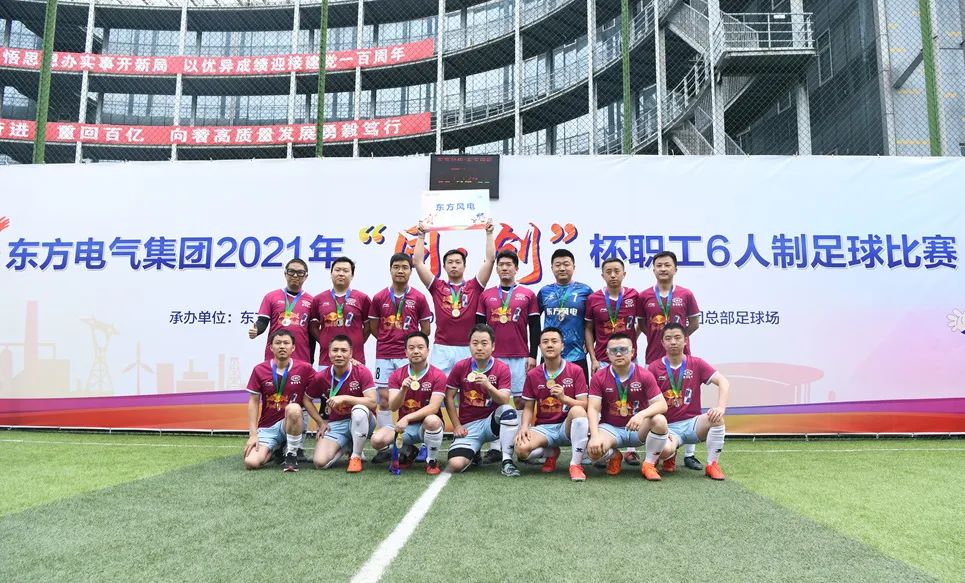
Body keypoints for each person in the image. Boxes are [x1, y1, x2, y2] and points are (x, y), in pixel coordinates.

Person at [639, 250, 703, 470]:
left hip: (681, 358)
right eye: (659, 265)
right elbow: (643, 325)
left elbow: (694, 323)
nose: (663, 269)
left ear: (675, 268)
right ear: (653, 269)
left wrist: (676, 341)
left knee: (687, 402)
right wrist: (660, 340)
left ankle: (689, 454)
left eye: (667, 265)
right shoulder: (644, 296)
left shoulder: (686, 294)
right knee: (653, 402)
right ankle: (660, 448)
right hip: (653, 357)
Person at [476, 250, 540, 462]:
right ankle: (495, 448)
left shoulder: (528, 294)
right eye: (501, 264)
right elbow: (479, 328)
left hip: (520, 356)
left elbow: (535, 327)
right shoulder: (486, 295)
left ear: (516, 268)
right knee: (493, 400)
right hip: (493, 359)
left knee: (520, 401)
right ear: (496, 269)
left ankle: (520, 443)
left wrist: (533, 355)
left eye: (509, 265)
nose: (504, 268)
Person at [368, 253, 432, 461]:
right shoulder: (379, 297)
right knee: (384, 399)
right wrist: (389, 339)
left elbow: (425, 329)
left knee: (415, 396)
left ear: (411, 271)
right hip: (385, 354)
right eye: (396, 267)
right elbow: (374, 327)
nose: (400, 271)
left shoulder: (419, 297)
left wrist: (410, 346)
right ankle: (388, 444)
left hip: (409, 356)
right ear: (390, 270)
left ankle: (420, 443)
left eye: (405, 267)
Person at [414, 219, 496, 375]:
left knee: (469, 386)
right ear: (444, 266)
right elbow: (418, 263)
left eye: (458, 262)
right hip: (442, 348)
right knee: (438, 385)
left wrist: (489, 233)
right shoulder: (437, 287)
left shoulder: (474, 286)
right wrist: (421, 236)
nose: (454, 265)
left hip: (467, 347)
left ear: (464, 266)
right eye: (450, 262)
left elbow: (490, 260)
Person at [647, 323, 727, 480]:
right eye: (668, 338)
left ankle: (712, 465)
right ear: (662, 343)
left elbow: (723, 381)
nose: (673, 342)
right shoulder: (654, 368)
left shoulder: (696, 363)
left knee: (717, 419)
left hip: (693, 424)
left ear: (685, 340)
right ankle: (670, 454)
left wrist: (720, 407)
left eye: (677, 338)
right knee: (664, 451)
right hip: (669, 427)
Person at [584, 257, 643, 465]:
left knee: (632, 398)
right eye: (608, 271)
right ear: (602, 275)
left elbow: (640, 323)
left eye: (617, 271)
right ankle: (602, 443)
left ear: (624, 274)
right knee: (601, 402)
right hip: (602, 358)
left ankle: (631, 449)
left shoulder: (634, 296)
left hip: (629, 359)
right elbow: (588, 329)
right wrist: (593, 357)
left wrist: (631, 344)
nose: (613, 275)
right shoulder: (594, 298)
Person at [586, 333, 668, 481]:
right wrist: (595, 436)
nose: (618, 354)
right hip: (611, 429)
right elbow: (593, 408)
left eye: (623, 349)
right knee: (593, 452)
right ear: (607, 354)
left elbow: (662, 404)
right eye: (613, 350)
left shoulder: (644, 374)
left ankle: (649, 464)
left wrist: (641, 415)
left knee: (660, 421)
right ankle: (614, 456)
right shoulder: (599, 376)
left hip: (638, 428)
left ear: (632, 352)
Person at [444, 324, 521, 477]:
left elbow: (504, 399)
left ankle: (507, 461)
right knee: (455, 464)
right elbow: (448, 396)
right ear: (469, 345)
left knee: (508, 412)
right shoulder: (461, 366)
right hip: (469, 427)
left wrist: (488, 386)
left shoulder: (501, 368)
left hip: (491, 424)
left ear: (493, 346)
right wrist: (457, 425)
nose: (479, 347)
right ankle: (474, 453)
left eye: (484, 343)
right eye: (475, 343)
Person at [515, 327, 590, 481]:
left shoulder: (575, 370)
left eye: (554, 341)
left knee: (578, 411)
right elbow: (528, 407)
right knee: (521, 450)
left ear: (562, 346)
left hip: (566, 426)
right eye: (545, 342)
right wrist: (524, 427)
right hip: (544, 429)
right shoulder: (533, 374)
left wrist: (564, 398)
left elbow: (584, 404)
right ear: (540, 346)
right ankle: (551, 453)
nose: (549, 345)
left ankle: (575, 465)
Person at [369, 332, 447, 475]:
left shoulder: (438, 375)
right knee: (376, 440)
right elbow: (393, 406)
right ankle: (410, 452)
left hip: (426, 426)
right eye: (411, 348)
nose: (416, 351)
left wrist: (407, 418)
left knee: (432, 421)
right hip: (406, 428)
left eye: (420, 347)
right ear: (405, 352)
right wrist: (403, 390)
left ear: (428, 350)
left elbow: (434, 407)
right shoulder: (397, 375)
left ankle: (432, 461)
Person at [243, 330, 317, 472]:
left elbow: (325, 379)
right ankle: (276, 448)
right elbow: (253, 402)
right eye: (278, 343)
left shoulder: (305, 368)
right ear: (271, 347)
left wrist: (350, 362)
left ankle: (291, 454)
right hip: (268, 427)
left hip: (290, 421)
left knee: (294, 408)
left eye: (286, 343)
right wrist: (253, 434)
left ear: (293, 348)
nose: (282, 346)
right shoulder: (259, 369)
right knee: (251, 462)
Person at [303, 335, 377, 473]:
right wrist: (321, 423)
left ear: (351, 353)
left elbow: (372, 402)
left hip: (363, 421)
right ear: (329, 353)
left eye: (343, 350)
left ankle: (355, 456)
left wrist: (345, 398)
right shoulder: (321, 377)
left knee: (359, 411)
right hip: (337, 424)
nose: (339, 354)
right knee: (320, 463)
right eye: (335, 350)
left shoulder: (362, 371)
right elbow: (306, 400)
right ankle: (347, 445)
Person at [537, 249, 593, 380]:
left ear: (573, 267)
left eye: (566, 264)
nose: (562, 268)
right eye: (558, 265)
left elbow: (593, 322)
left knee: (580, 392)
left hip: (576, 354)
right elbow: (532, 322)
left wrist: (591, 343)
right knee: (546, 392)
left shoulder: (585, 291)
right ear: (552, 268)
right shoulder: (544, 292)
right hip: (549, 355)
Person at [309, 256, 371, 367]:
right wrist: (324, 341)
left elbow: (369, 326)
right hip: (327, 360)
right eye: (337, 270)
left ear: (352, 275)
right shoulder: (318, 299)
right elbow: (313, 327)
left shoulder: (362, 298)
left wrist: (357, 340)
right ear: (331, 273)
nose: (341, 274)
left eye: (345, 271)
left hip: (355, 359)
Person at [249, 258, 314, 364]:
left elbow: (311, 333)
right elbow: (262, 321)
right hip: (274, 356)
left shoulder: (311, 301)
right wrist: (257, 330)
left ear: (306, 276)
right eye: (291, 271)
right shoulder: (271, 297)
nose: (295, 275)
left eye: (300, 273)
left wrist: (311, 360)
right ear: (285, 274)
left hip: (301, 357)